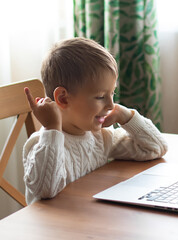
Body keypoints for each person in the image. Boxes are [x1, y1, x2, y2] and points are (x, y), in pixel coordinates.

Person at [23, 37, 168, 205]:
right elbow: (45, 190)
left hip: (88, 222)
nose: (110, 104)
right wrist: (52, 129)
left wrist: (125, 115)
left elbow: (156, 148)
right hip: (52, 229)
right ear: (63, 98)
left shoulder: (101, 137)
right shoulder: (40, 144)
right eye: (100, 96)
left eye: (112, 93)